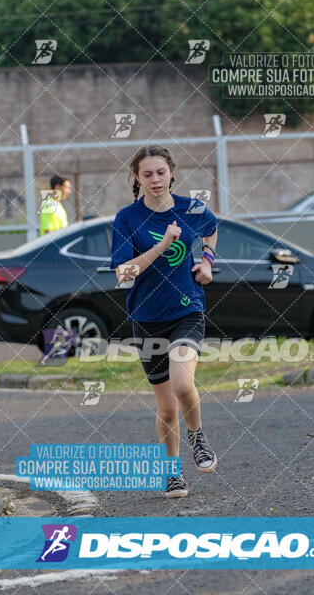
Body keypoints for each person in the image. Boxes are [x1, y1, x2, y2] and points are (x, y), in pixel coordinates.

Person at [110, 145, 218, 498]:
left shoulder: (191, 208)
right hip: (146, 318)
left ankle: (198, 437)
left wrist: (206, 262)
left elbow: (212, 227)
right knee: (167, 409)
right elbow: (123, 273)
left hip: (187, 310)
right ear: (137, 179)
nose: (155, 179)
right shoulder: (128, 218)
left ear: (171, 172)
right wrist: (163, 245)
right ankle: (173, 473)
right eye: (147, 174)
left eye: (160, 172)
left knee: (184, 384)